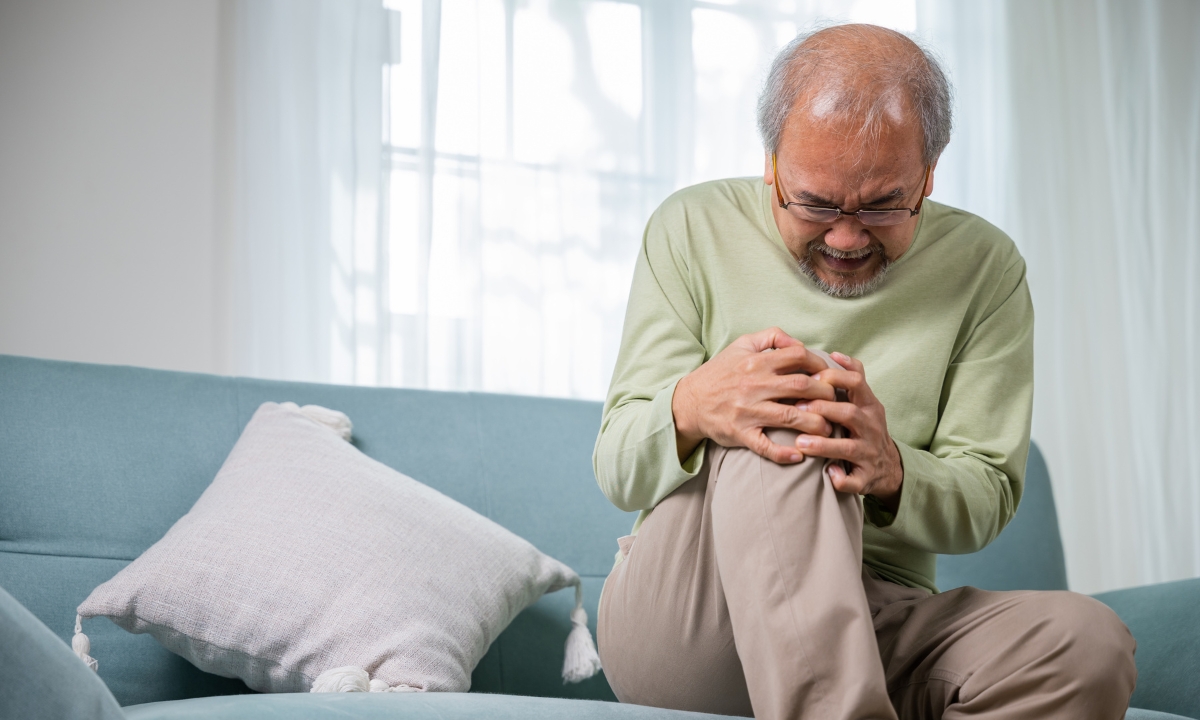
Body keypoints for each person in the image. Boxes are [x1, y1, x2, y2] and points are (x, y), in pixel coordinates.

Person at [593, 23, 1136, 720]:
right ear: (772, 166)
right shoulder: (690, 227)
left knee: (1086, 645)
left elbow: (986, 495)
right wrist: (695, 405)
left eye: (881, 205)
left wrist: (891, 468)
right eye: (816, 204)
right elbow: (617, 468)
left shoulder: (986, 269)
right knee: (797, 403)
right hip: (694, 614)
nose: (846, 237)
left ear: (929, 175)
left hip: (874, 618)